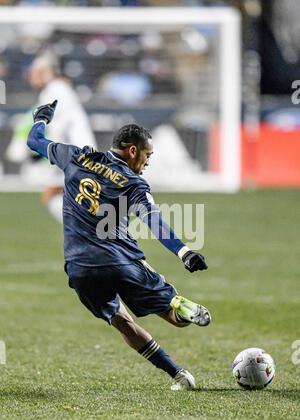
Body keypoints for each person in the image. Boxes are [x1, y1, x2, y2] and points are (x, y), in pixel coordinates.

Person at [27, 100, 212, 390]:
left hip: (79, 268)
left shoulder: (76, 157)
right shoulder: (134, 183)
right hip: (120, 263)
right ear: (133, 151)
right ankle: (177, 304)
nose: (148, 162)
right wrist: (183, 251)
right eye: (147, 155)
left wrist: (40, 118)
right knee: (174, 317)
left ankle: (178, 375)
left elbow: (34, 140)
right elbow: (154, 221)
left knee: (120, 321)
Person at [6, 55, 96, 223]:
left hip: (73, 154)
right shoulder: (60, 89)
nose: (31, 78)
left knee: (53, 195)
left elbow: (56, 125)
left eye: (33, 73)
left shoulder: (53, 90)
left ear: (42, 73)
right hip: (75, 153)